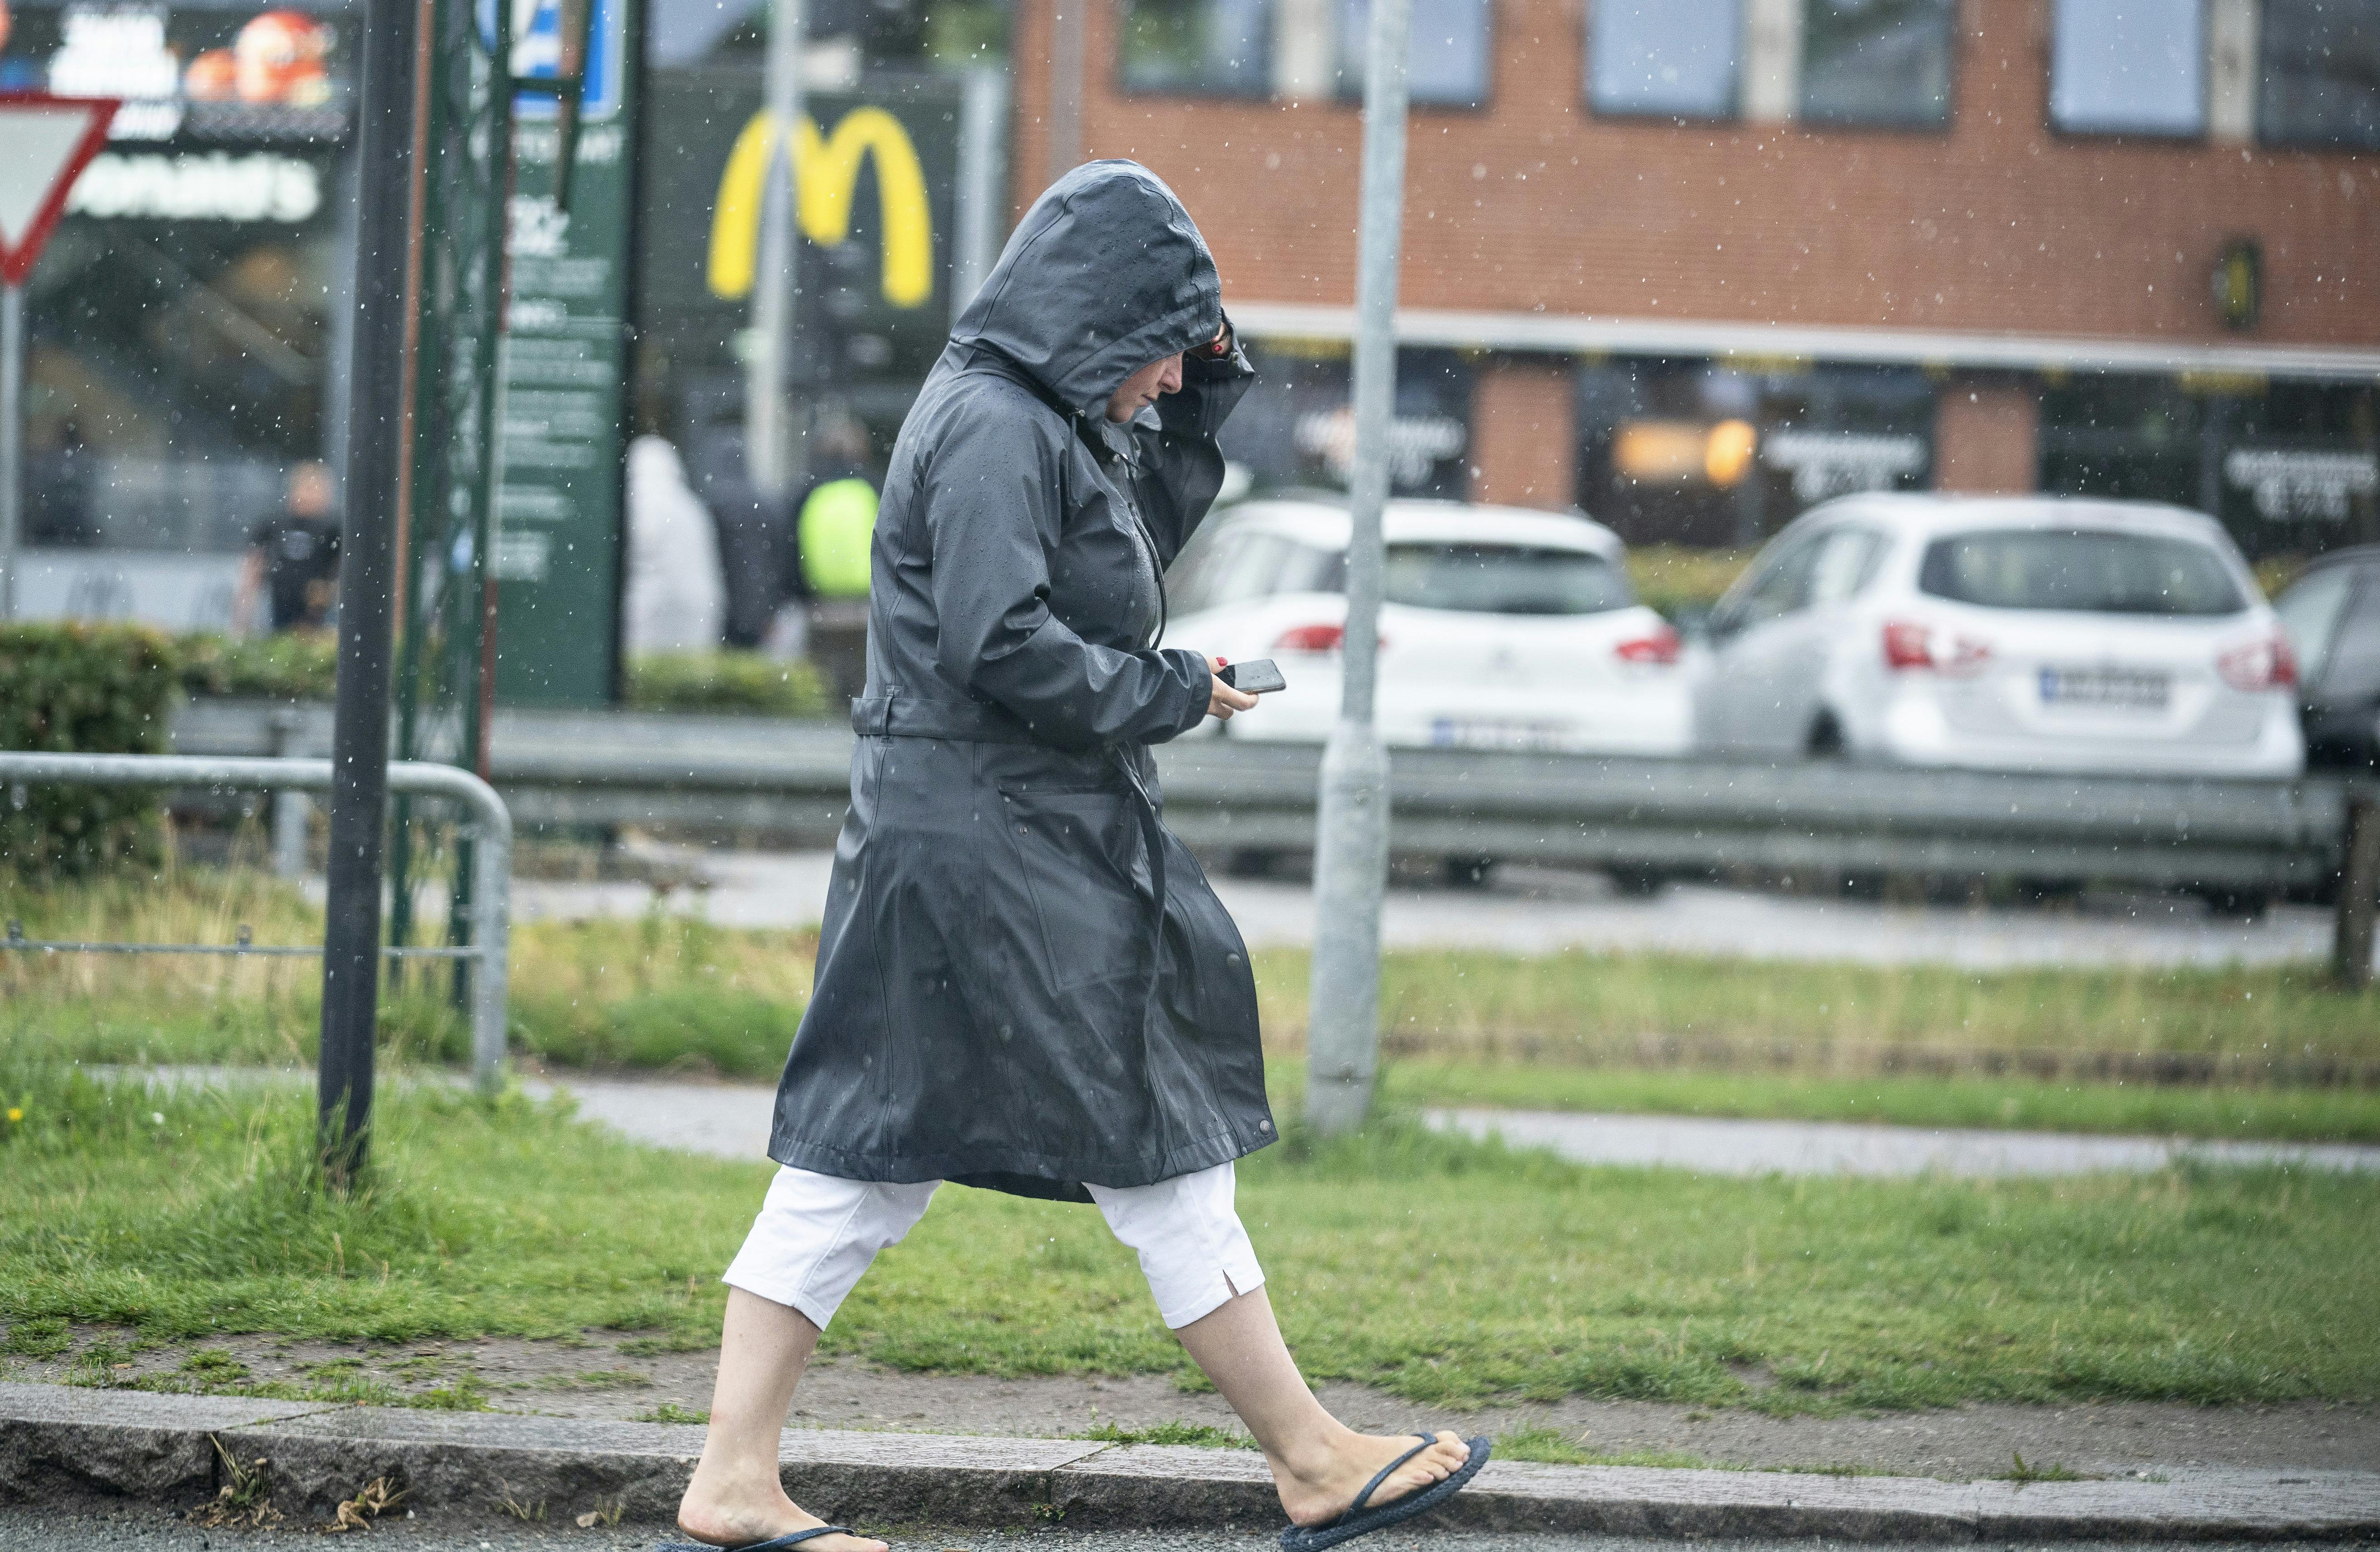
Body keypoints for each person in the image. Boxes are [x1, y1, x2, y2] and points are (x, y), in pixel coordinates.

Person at [666, 161, 1488, 1552]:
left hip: (978, 833)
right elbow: (1002, 644)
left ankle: (735, 1475)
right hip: (995, 838)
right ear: (1099, 322)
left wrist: (1210, 368)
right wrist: (1167, 690)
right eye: (1165, 346)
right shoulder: (993, 426)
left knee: (868, 1153)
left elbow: (1125, 550)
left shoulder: (1032, 418)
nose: (1172, 377)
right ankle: (1306, 1451)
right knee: (1135, 1126)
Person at [235, 459, 340, 636]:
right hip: (277, 613)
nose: (312, 495)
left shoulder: (333, 529)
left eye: (318, 489)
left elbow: (345, 576)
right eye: (307, 488)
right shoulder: (273, 523)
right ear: (294, 490)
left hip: (319, 620)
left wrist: (327, 592)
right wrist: (242, 620)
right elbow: (252, 570)